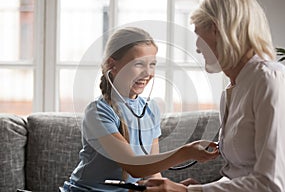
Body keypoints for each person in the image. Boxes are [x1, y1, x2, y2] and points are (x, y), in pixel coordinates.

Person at [141, 0, 285, 191]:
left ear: (217, 30)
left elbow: (269, 184)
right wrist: (205, 187)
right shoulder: (232, 90)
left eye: (198, 34)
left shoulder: (271, 80)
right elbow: (240, 175)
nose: (197, 48)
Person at [62, 27, 219, 192]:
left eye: (152, 64)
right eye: (138, 64)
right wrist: (186, 152)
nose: (148, 73)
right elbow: (134, 167)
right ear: (112, 65)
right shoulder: (98, 112)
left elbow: (152, 175)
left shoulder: (151, 109)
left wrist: (173, 188)